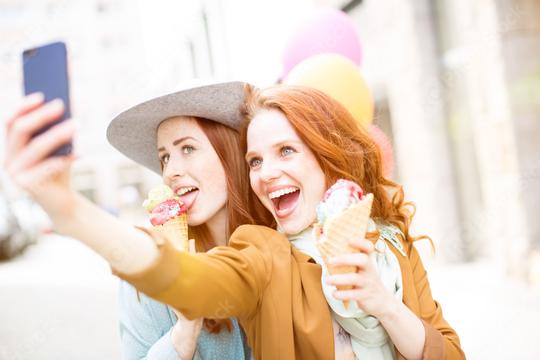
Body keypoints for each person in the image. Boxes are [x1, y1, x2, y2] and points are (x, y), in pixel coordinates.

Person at [3, 82, 465, 359]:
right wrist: (69, 211)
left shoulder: (387, 245)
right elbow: (190, 279)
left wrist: (383, 303)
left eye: (286, 151)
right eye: (258, 159)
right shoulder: (264, 249)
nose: (171, 169)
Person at [3, 83, 267, 359]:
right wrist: (184, 331)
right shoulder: (146, 271)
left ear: (232, 153)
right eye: (164, 157)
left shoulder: (285, 242)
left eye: (187, 148)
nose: (170, 172)